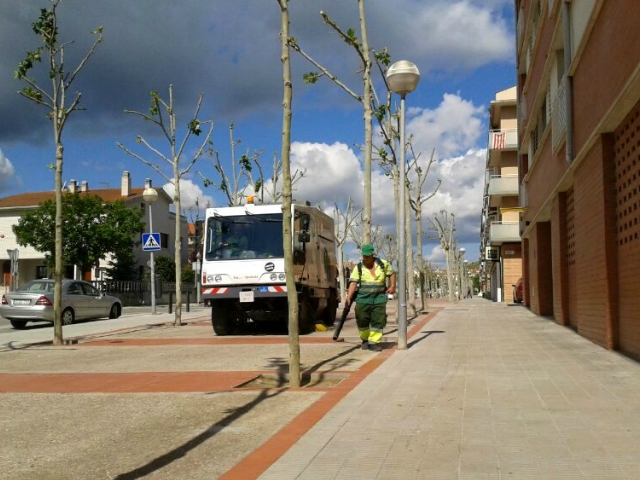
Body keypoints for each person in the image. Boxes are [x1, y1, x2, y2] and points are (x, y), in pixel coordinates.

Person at [345, 244, 396, 352]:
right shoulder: (358, 267)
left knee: (378, 320)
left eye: (368, 256)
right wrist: (348, 297)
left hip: (379, 298)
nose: (366, 258)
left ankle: (374, 342)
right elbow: (353, 283)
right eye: (364, 256)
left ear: (373, 255)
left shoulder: (382, 264)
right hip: (363, 299)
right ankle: (365, 340)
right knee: (362, 319)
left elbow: (391, 273)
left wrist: (392, 286)